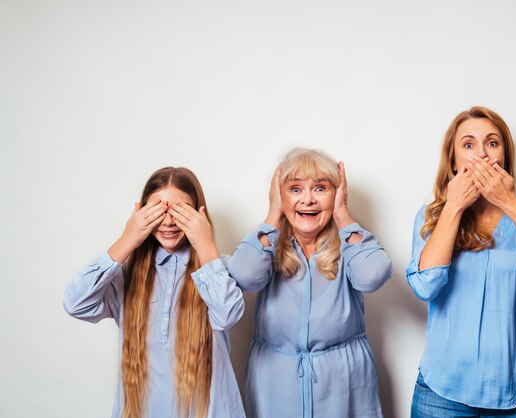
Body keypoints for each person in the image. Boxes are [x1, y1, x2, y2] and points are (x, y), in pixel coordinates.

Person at [406, 106, 516, 417]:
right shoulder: (433, 219)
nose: (482, 155)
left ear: (504, 155)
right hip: (442, 396)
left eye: (492, 143)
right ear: (453, 159)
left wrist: (508, 201)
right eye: (468, 144)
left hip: (515, 397)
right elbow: (424, 285)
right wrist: (454, 206)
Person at [64, 167, 245, 418]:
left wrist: (205, 245)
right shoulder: (126, 275)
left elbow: (228, 315)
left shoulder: (217, 268)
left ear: (198, 215)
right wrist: (128, 239)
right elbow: (75, 303)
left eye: (180, 212)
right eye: (158, 211)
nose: (169, 222)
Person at [227, 148, 392, 418]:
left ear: (337, 195)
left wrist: (342, 215)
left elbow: (373, 275)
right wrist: (273, 215)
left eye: (320, 189)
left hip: (343, 383)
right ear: (281, 196)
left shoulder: (349, 245)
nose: (307, 200)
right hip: (275, 384)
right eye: (294, 189)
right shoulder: (268, 245)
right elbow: (244, 275)